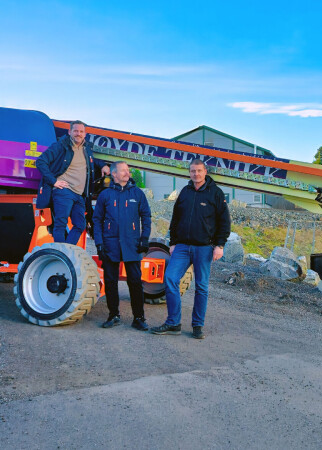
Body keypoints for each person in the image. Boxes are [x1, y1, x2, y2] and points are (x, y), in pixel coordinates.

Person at [151, 158, 230, 340]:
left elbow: (224, 222)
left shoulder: (215, 193)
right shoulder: (185, 192)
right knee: (170, 278)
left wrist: (220, 245)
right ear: (189, 173)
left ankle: (197, 326)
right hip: (183, 247)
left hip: (205, 248)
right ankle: (173, 323)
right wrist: (172, 242)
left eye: (199, 171)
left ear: (205, 172)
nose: (196, 174)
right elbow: (176, 218)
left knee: (201, 287)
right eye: (193, 171)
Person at [92, 161, 152, 330]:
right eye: (123, 171)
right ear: (114, 174)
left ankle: (139, 318)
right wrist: (99, 243)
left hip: (132, 244)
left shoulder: (137, 193)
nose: (127, 173)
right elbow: (97, 220)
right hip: (110, 244)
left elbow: (146, 216)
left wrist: (144, 238)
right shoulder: (105, 195)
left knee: (135, 281)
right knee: (110, 281)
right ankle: (113, 315)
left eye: (128, 170)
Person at [36, 120, 110, 244]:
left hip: (79, 195)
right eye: (75, 131)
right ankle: (62, 253)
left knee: (80, 225)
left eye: (81, 131)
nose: (78, 134)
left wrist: (103, 166)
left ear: (85, 134)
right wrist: (54, 181)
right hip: (64, 191)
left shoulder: (86, 149)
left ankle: (66, 250)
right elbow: (40, 162)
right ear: (69, 132)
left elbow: (92, 161)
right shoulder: (60, 146)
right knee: (60, 223)